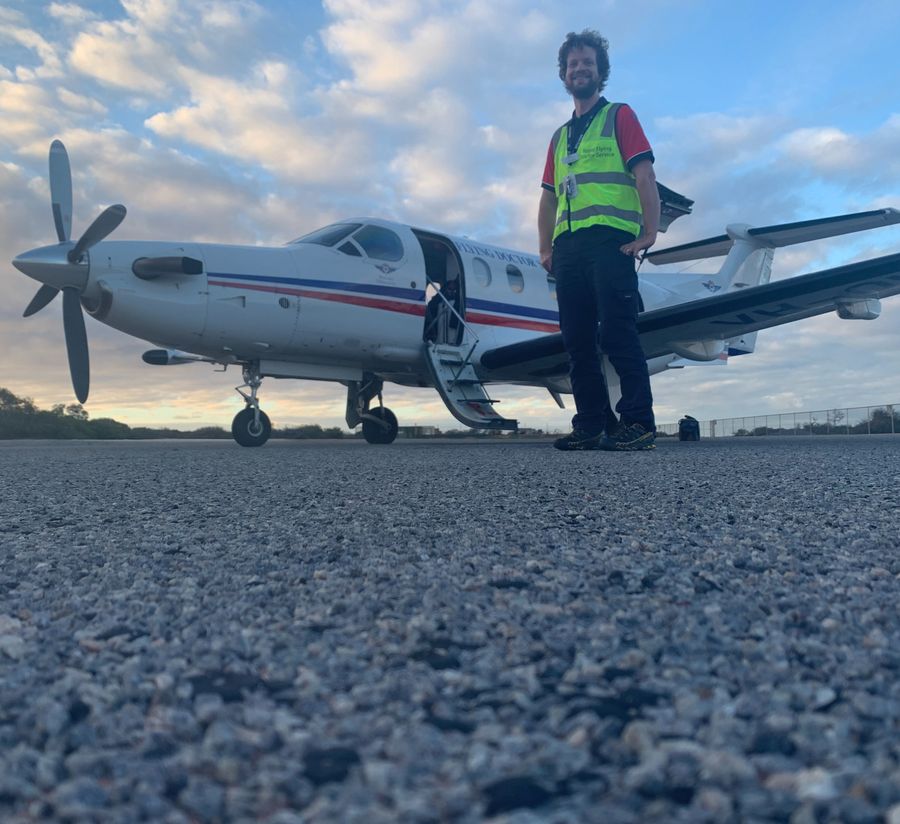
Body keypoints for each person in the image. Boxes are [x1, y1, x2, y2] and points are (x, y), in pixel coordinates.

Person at [538, 29, 660, 451]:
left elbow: (644, 175)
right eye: (573, 64)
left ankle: (638, 423)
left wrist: (649, 232)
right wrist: (545, 248)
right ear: (564, 75)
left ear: (600, 71)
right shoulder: (559, 137)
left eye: (587, 62)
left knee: (618, 333)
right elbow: (548, 197)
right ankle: (591, 422)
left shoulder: (619, 116)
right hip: (569, 248)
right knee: (576, 339)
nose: (580, 69)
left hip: (610, 240)